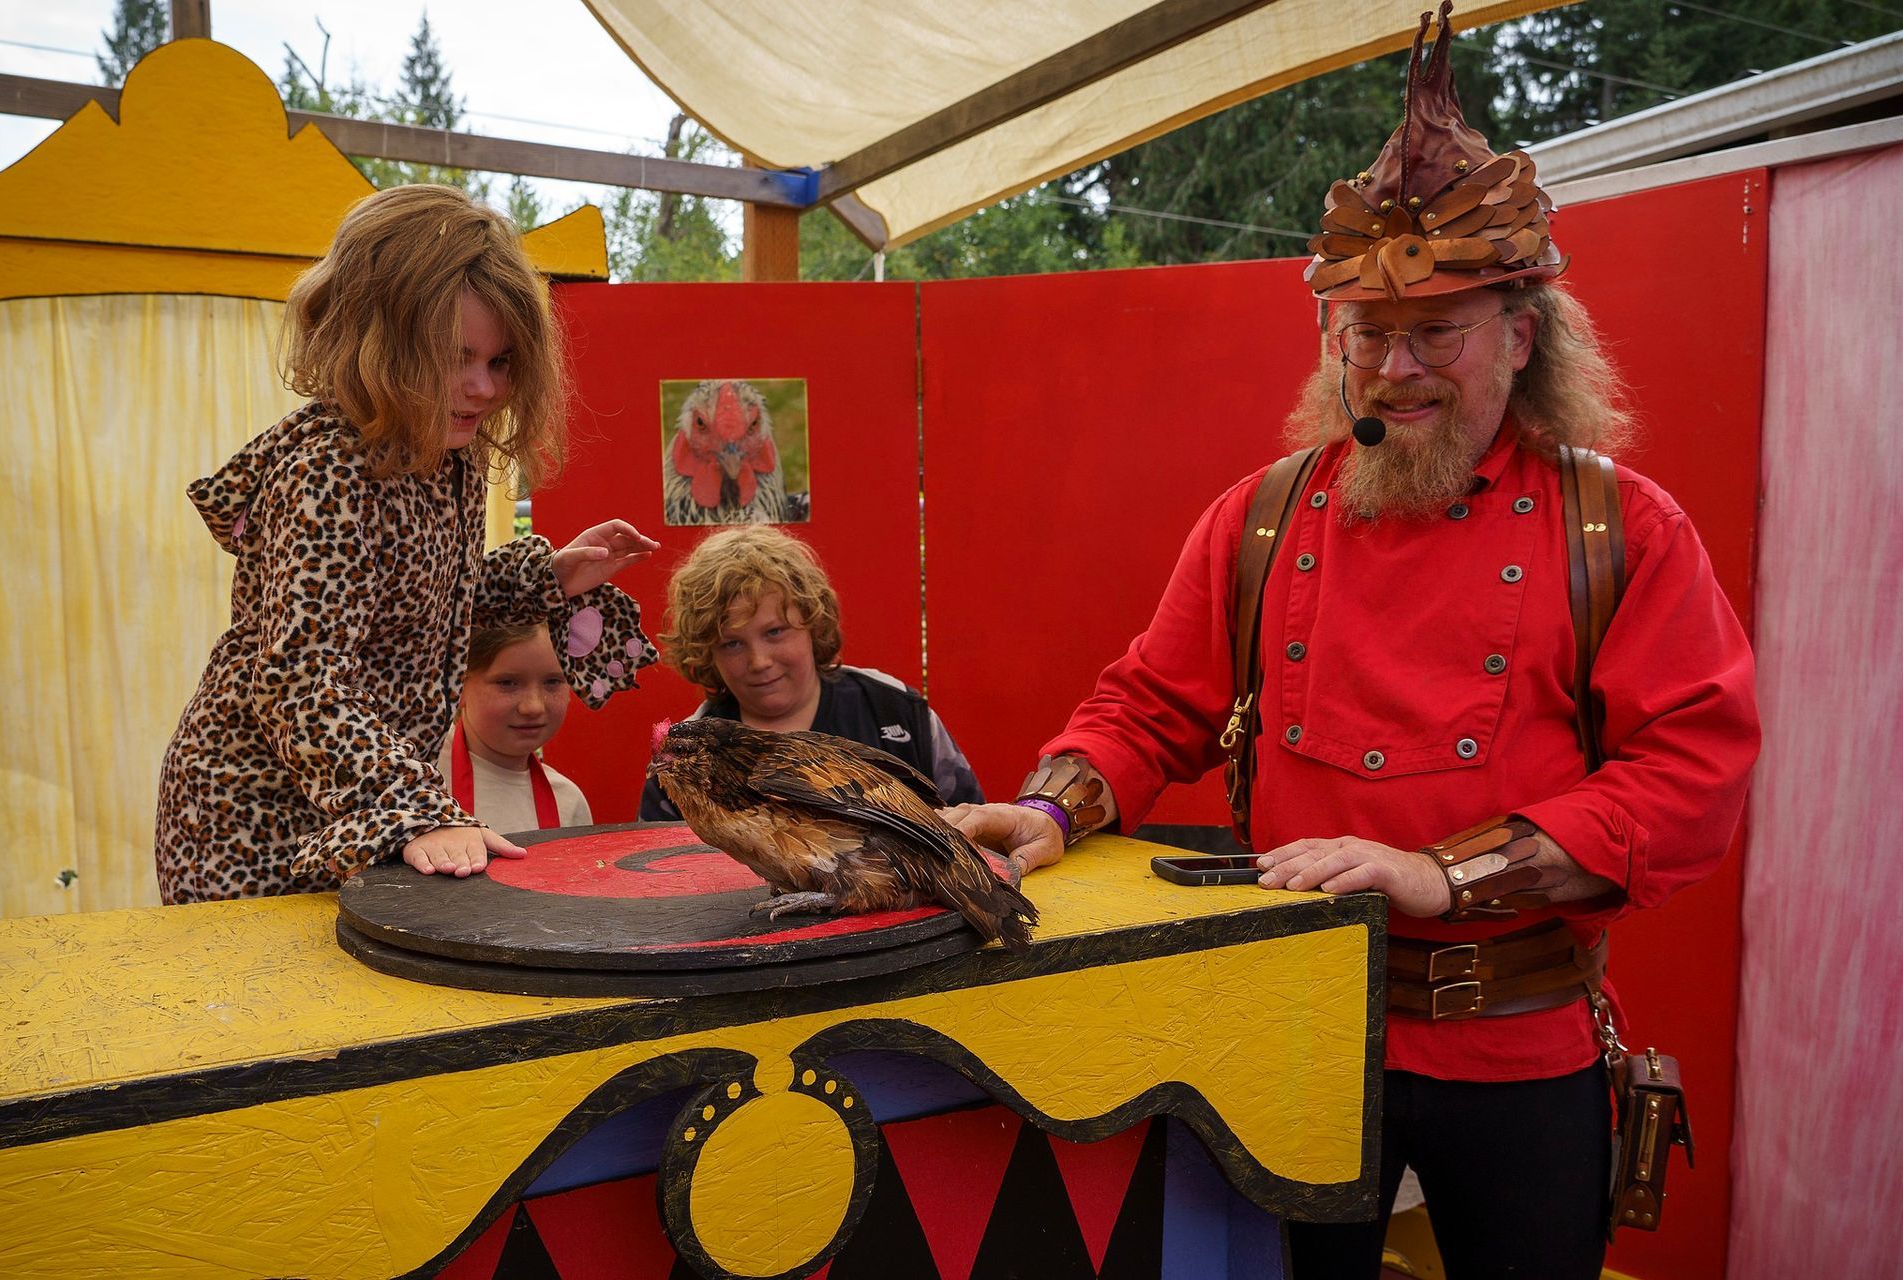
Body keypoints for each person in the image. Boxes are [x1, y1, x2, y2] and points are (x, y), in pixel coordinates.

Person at [945, 7, 1759, 1278]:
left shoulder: (1622, 527)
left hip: (1522, 1036)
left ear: (1523, 337)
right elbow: (1152, 701)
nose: (1395, 367)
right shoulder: (1263, 517)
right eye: (1366, 335)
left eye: (1438, 330)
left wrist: (1445, 874)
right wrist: (1051, 806)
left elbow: (1691, 774)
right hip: (1293, 1019)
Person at [155, 184, 659, 904]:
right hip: (259, 819)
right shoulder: (330, 466)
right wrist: (412, 805)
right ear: (375, 342)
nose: (481, 386)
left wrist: (544, 578)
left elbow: (415, 607)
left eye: (501, 362)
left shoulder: (442, 456)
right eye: (454, 357)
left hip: (356, 805)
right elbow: (302, 676)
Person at [639, 526, 982, 820]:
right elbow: (654, 881)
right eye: (732, 644)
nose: (759, 661)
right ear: (705, 653)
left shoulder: (896, 714)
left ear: (812, 624)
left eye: (774, 632)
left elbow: (978, 831)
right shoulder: (682, 754)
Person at [439, 622, 593, 833]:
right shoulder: (413, 779)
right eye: (508, 683)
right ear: (457, 685)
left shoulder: (568, 802)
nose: (533, 706)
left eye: (552, 682)